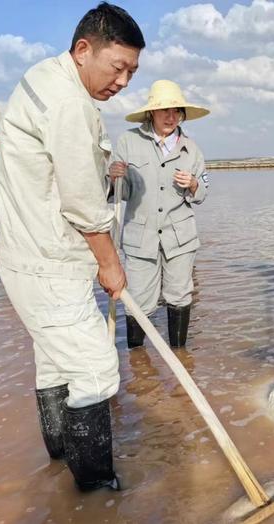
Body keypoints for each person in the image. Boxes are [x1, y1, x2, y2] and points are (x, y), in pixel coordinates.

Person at [0, 2, 144, 491]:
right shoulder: (70, 104)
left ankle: (59, 464)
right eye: (117, 67)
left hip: (28, 258)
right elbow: (82, 202)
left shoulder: (45, 76)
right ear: (83, 50)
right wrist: (111, 265)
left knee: (55, 362)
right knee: (99, 370)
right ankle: (95, 492)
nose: (122, 81)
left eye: (131, 72)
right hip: (49, 263)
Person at [109, 80, 210, 350]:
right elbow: (119, 193)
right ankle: (137, 356)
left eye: (176, 110)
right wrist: (113, 179)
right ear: (151, 112)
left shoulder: (192, 149)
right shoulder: (128, 143)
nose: (170, 116)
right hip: (140, 238)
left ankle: (180, 357)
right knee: (139, 300)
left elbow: (203, 193)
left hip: (180, 238)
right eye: (164, 110)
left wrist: (193, 184)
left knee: (179, 295)